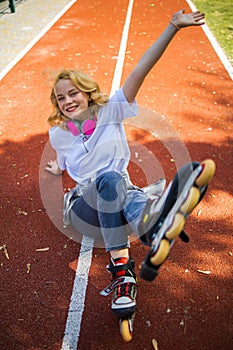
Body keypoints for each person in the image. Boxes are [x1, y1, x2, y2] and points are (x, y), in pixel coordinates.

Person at [45, 10, 214, 321]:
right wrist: (57, 169)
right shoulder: (58, 134)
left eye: (73, 93)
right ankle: (145, 233)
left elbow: (140, 70)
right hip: (84, 207)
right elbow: (66, 161)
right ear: (57, 105)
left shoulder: (111, 111)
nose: (67, 101)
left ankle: (130, 262)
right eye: (61, 98)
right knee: (112, 184)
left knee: (118, 187)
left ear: (87, 94)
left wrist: (172, 27)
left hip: (118, 192)